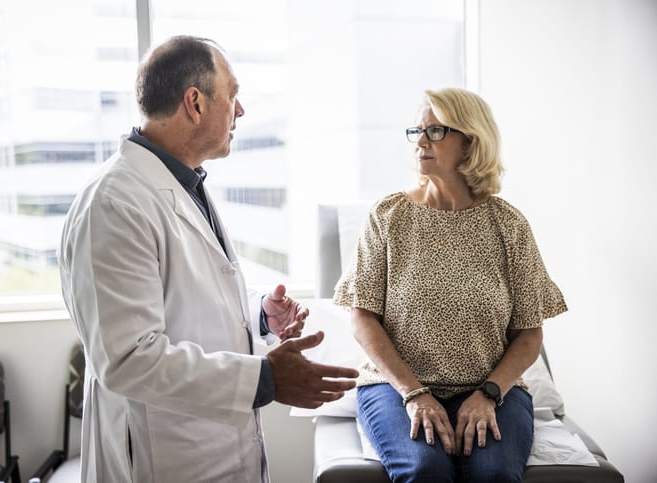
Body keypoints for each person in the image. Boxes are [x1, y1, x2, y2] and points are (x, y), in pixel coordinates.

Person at [58, 35, 358, 483]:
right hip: (162, 457)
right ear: (195, 103)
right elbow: (127, 359)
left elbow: (188, 293)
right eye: (233, 94)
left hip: (211, 446)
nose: (241, 111)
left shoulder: (184, 182)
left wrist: (258, 310)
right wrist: (265, 379)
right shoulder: (114, 203)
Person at [333, 87, 567, 483]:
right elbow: (362, 318)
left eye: (436, 131)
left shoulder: (508, 225)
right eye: (417, 131)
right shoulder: (388, 216)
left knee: (494, 474)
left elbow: (529, 333)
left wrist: (489, 394)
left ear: (470, 143)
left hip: (490, 388)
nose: (420, 141)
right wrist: (414, 394)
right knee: (426, 470)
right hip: (395, 387)